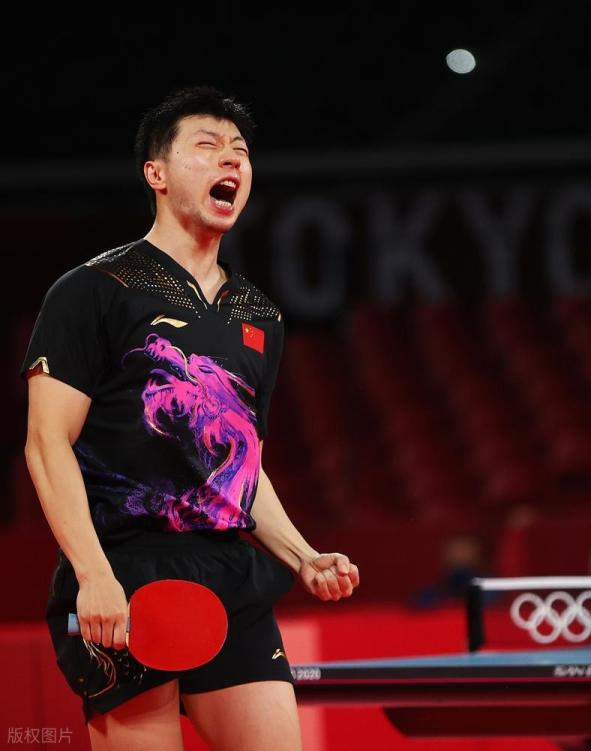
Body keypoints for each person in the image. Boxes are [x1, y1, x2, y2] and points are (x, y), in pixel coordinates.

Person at [21, 86, 359, 751]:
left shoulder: (259, 315)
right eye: (207, 146)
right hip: (127, 570)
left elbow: (240, 466)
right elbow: (46, 442)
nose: (231, 159)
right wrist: (93, 574)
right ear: (156, 173)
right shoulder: (94, 289)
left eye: (240, 150)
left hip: (231, 574)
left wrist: (302, 554)